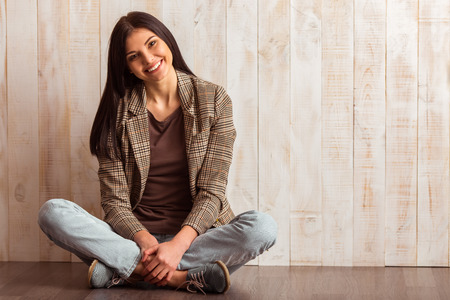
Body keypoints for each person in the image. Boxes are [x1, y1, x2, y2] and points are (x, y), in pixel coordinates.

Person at [38, 11, 277, 294]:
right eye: (134, 56)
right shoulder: (118, 112)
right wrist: (148, 243)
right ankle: (184, 277)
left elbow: (212, 191)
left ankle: (127, 272)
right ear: (126, 67)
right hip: (133, 237)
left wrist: (177, 246)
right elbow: (114, 204)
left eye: (152, 44)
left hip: (198, 235)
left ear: (167, 41)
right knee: (52, 212)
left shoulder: (214, 99)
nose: (148, 59)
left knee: (262, 227)